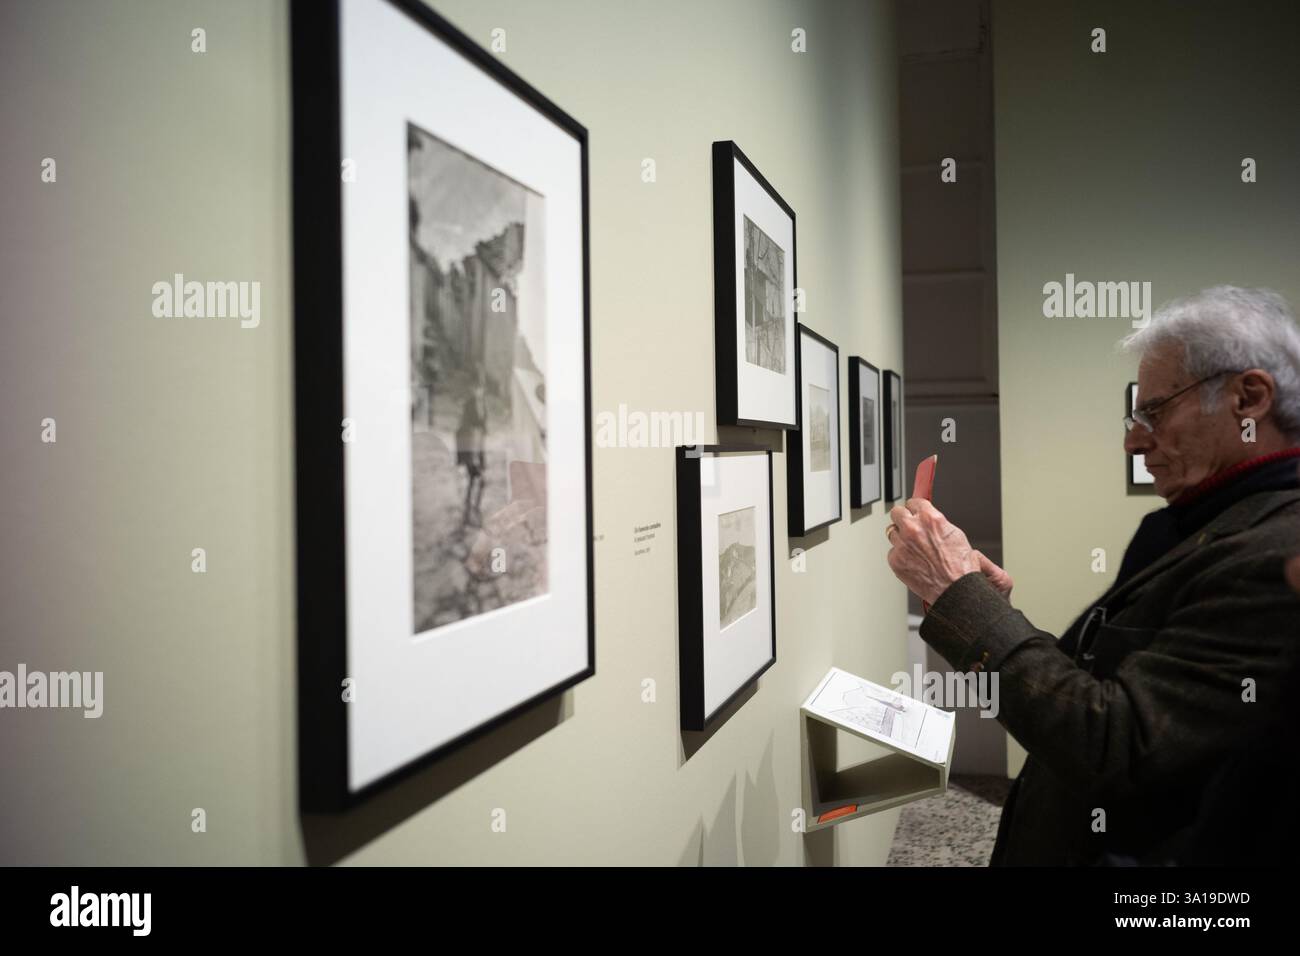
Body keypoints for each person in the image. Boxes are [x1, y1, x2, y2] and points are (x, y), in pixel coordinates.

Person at [884, 286, 1300, 865]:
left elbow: (1114, 746)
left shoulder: (1277, 554)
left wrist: (960, 595)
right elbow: (1109, 692)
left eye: (1153, 411)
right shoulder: (1201, 524)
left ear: (1248, 398)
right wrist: (983, 607)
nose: (1133, 440)